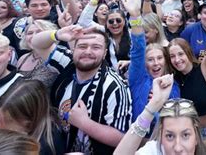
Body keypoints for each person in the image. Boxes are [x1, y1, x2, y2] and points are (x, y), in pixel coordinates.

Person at [31, 26, 132, 154]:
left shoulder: (115, 86)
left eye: (96, 47)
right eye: (82, 46)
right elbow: (37, 44)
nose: (88, 51)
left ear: (105, 53)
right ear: (73, 50)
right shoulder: (67, 64)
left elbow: (122, 138)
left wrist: (84, 123)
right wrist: (57, 34)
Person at [168, 0, 206, 128]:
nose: (177, 60)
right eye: (172, 56)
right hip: (183, 132)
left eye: (180, 54)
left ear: (188, 52)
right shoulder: (174, 78)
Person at [114, 75, 206, 155]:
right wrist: (153, 106)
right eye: (170, 136)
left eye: (185, 135)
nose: (178, 148)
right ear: (161, 139)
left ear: (196, 137)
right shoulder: (155, 151)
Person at [123, 0, 179, 121]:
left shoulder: (173, 85)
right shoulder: (139, 79)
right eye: (150, 59)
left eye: (159, 58)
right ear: (144, 63)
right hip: (140, 138)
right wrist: (136, 16)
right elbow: (138, 50)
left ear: (166, 61)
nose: (156, 63)